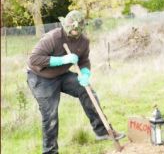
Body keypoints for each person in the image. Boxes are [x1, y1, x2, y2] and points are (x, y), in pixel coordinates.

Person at [26, 10, 125, 154]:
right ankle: (50, 151)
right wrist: (62, 60)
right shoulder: (53, 37)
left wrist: (85, 73)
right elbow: (33, 59)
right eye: (70, 29)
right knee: (50, 114)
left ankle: (102, 130)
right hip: (40, 77)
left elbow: (84, 60)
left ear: (81, 29)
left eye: (76, 30)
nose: (73, 32)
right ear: (65, 25)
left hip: (61, 74)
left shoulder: (84, 41)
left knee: (86, 89)